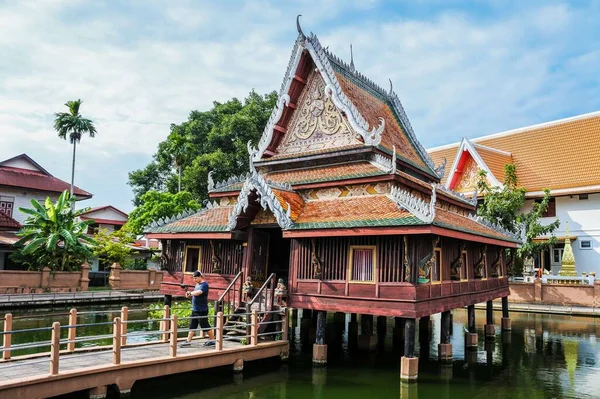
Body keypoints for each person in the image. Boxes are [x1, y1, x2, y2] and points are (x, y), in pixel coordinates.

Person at [179, 271, 215, 347]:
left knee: (205, 325)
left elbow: (199, 292)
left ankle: (212, 340)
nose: (194, 280)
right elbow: (194, 293)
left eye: (195, 278)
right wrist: (188, 293)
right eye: (193, 278)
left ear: (200, 277)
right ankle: (188, 341)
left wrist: (191, 293)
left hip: (202, 309)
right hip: (195, 309)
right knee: (192, 325)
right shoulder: (197, 285)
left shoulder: (204, 285)